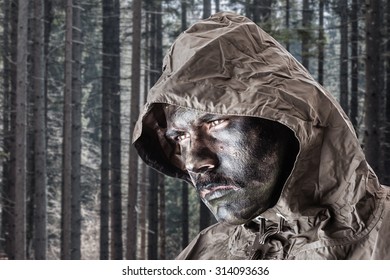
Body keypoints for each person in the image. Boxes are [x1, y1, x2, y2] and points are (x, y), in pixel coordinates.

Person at [133, 12, 390, 259]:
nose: (193, 161)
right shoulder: (201, 257)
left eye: (216, 122)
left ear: (289, 120)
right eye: (180, 137)